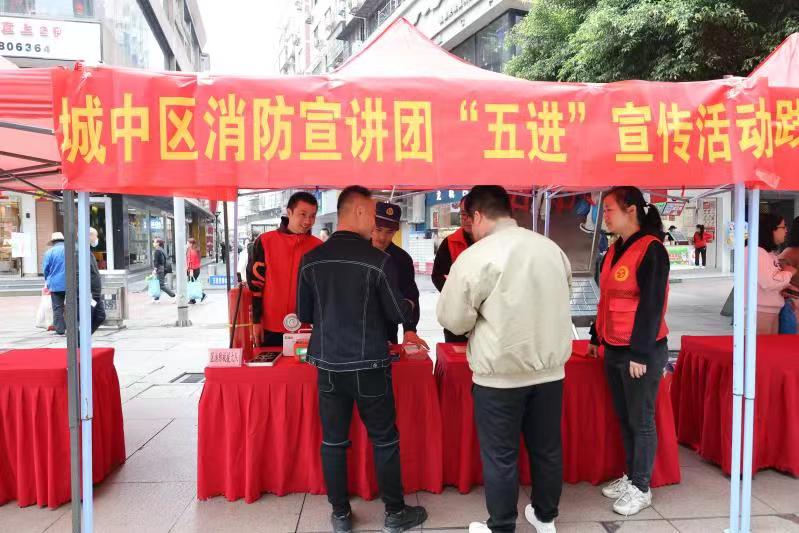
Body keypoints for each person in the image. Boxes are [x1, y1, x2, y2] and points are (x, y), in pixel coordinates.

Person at [437, 186, 573, 533]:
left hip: (499, 378)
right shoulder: (551, 249)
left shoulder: (476, 256)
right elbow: (565, 297)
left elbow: (454, 320)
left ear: (477, 215)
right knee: (547, 450)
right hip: (550, 374)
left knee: (500, 456)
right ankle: (545, 518)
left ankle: (501, 526)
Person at [297, 186, 428, 533]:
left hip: (327, 364)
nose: (375, 222)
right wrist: (408, 306)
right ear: (357, 211)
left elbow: (304, 314)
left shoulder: (311, 259)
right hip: (369, 363)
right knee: (384, 439)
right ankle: (395, 514)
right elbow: (397, 313)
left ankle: (340, 515)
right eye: (372, 214)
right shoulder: (378, 261)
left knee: (333, 440)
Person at [587, 186, 670, 517]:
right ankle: (631, 475)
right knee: (624, 418)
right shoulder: (613, 250)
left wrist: (640, 353)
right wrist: (596, 337)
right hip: (614, 347)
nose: (603, 216)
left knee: (641, 420)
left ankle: (642, 487)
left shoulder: (652, 249)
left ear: (631, 210)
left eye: (608, 210)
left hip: (640, 352)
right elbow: (605, 299)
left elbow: (652, 305)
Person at [247, 192, 322, 347]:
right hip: (269, 325)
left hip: (307, 327)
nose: (308, 221)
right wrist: (256, 321)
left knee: (304, 364)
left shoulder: (318, 246)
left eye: (312, 216)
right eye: (303, 214)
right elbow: (255, 285)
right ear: (289, 212)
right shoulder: (265, 241)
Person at [371, 202, 429, 349]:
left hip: (388, 330)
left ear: (395, 231)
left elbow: (410, 295)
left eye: (389, 232)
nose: (382, 237)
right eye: (378, 229)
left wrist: (410, 330)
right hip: (355, 329)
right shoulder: (357, 252)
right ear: (370, 225)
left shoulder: (402, 259)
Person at [432, 194, 474, 342]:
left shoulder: (493, 242)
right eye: (463, 214)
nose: (466, 219)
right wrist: (456, 296)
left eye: (470, 214)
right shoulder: (450, 242)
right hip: (456, 318)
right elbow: (437, 276)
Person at [749, 213, 795, 334]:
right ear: (771, 229)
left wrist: (784, 286)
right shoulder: (756, 252)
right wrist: (788, 272)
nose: (786, 230)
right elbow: (768, 282)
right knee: (762, 345)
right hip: (760, 310)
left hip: (770, 309)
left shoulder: (768, 254)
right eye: (783, 227)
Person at [43, 232, 66, 335]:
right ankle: (73, 327)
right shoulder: (70, 250)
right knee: (72, 306)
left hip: (55, 284)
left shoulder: (49, 252)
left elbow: (46, 269)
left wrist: (47, 281)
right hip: (71, 283)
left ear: (53, 242)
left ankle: (60, 329)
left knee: (57, 307)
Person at [88, 228, 106, 333]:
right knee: (90, 316)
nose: (97, 238)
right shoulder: (81, 251)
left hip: (95, 293)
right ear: (90, 236)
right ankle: (81, 338)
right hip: (90, 293)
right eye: (96, 236)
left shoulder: (88, 251)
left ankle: (83, 338)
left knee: (100, 315)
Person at [186, 237, 207, 304]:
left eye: (187, 243)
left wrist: (190, 270)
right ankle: (192, 299)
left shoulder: (192, 251)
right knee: (192, 283)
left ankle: (202, 295)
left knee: (192, 284)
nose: (186, 244)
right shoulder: (195, 249)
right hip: (196, 269)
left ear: (191, 243)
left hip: (193, 270)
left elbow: (191, 262)